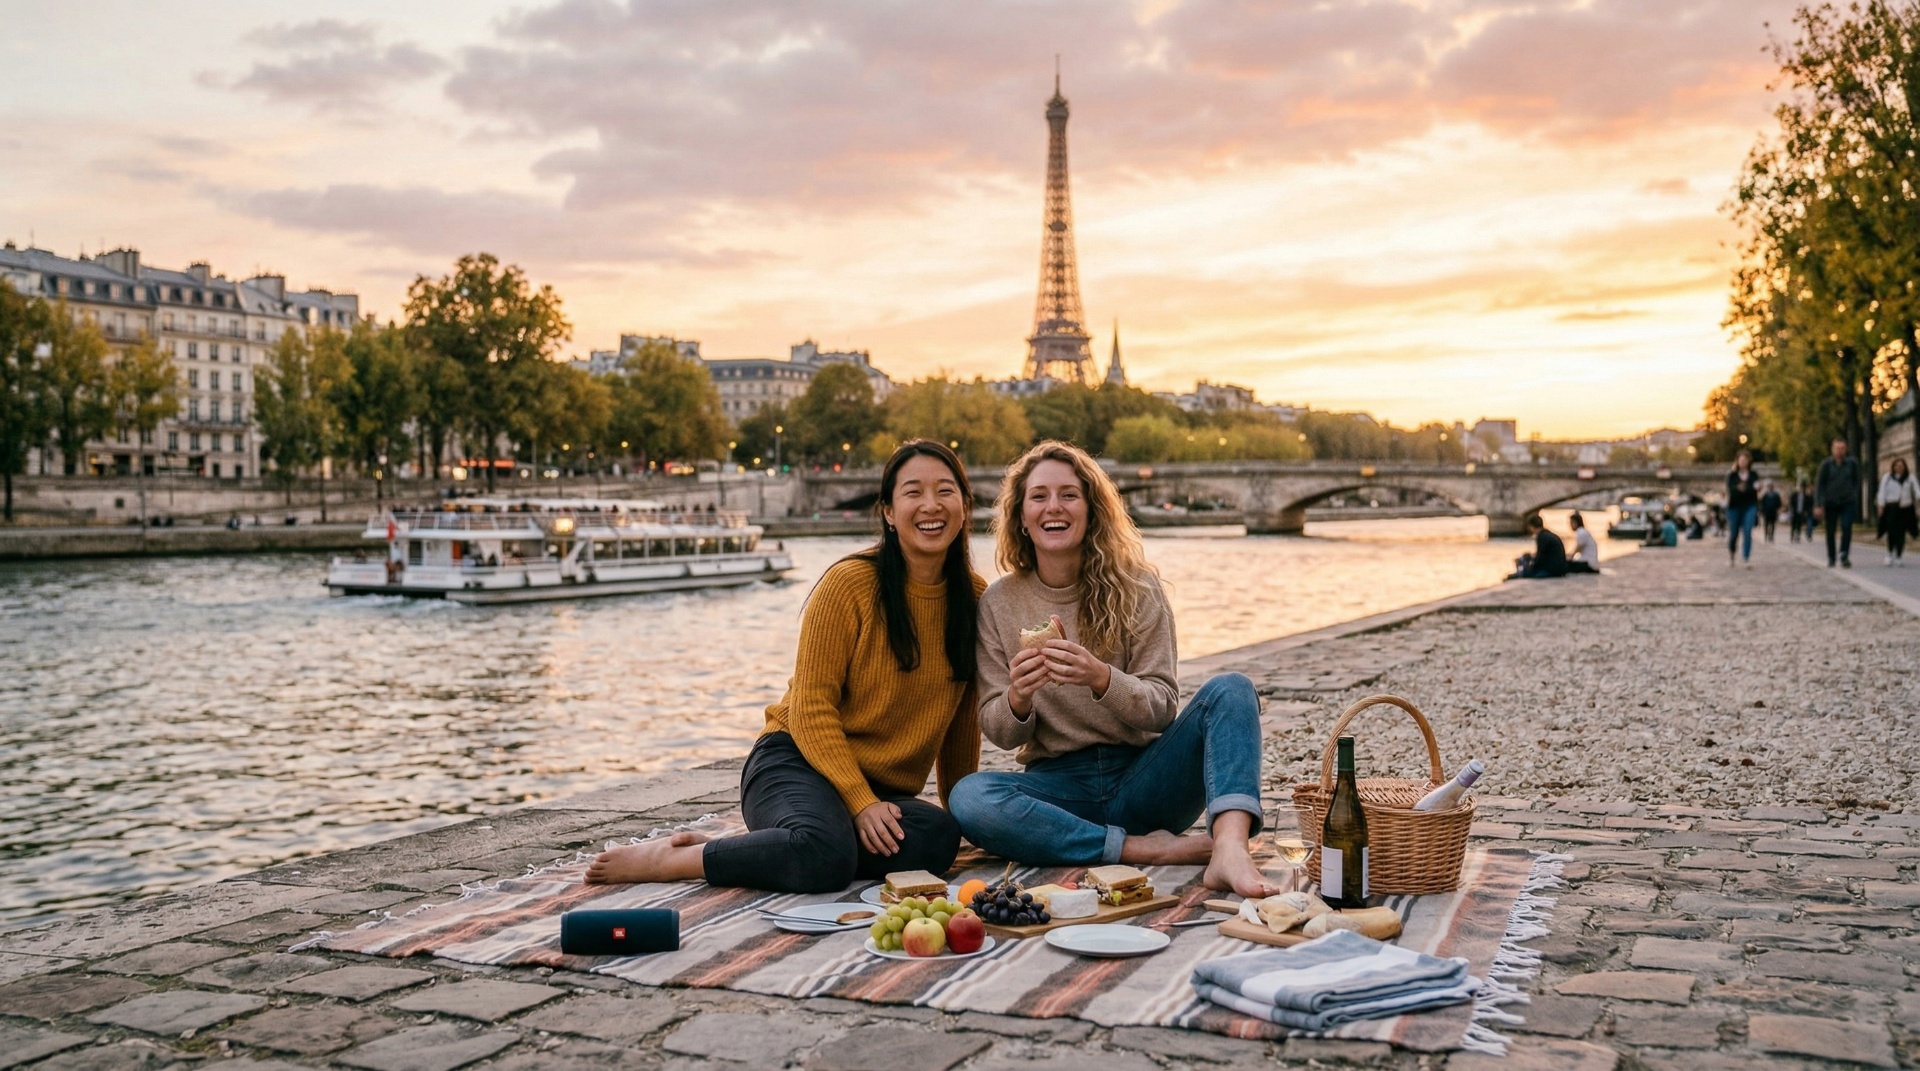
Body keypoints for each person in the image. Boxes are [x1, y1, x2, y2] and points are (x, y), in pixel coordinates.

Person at [585, 440, 984, 892]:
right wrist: (858, 802)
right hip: (794, 760)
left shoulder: (973, 597)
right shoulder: (849, 584)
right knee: (826, 857)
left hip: (877, 787)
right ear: (889, 512)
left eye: (945, 491)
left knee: (939, 840)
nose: (930, 505)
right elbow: (812, 709)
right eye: (913, 492)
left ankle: (778, 846)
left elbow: (961, 724)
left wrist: (958, 811)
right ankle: (672, 860)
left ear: (966, 506)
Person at [947, 441, 1277, 898]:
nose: (1053, 507)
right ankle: (1143, 849)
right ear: (1020, 516)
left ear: (1091, 509)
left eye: (1069, 494)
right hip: (1059, 787)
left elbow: (1162, 708)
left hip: (1145, 777)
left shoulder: (1137, 586)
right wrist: (1019, 696)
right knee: (969, 798)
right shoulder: (998, 603)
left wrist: (1101, 677)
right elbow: (1000, 732)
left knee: (1232, 689)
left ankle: (1230, 848)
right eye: (1039, 496)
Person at [1815, 438, 1863, 568]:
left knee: (1846, 527)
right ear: (1832, 449)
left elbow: (1856, 480)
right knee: (1830, 531)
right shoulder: (1826, 465)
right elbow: (1819, 485)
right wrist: (1818, 504)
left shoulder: (1852, 464)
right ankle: (1831, 557)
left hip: (1847, 501)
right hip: (1830, 502)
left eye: (1842, 448)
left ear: (1846, 449)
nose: (1839, 451)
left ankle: (1844, 554)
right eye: (1837, 448)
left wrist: (1853, 494)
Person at [1878, 458, 1917, 566]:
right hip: (1891, 507)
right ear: (1893, 467)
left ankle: (1899, 555)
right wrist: (1881, 505)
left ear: (1904, 467)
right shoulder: (1887, 478)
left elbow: (1917, 490)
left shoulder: (1910, 478)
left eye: (1901, 466)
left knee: (1902, 532)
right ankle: (1890, 553)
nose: (1899, 468)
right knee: (1891, 531)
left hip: (1905, 508)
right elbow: (1882, 492)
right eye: (1897, 466)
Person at [1507, 513, 1570, 579]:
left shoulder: (1541, 537)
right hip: (1559, 569)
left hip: (1551, 570)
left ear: (1531, 527)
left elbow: (1539, 558)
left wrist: (1530, 567)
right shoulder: (1547, 535)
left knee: (1524, 572)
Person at [1726, 450, 1760, 567]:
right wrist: (1745, 489)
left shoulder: (1754, 475)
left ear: (1749, 461)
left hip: (1749, 506)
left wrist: (1742, 489)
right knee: (1734, 533)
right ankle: (1732, 555)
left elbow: (1754, 491)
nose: (1743, 462)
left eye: (1745, 460)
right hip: (1734, 507)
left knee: (1747, 531)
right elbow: (1732, 491)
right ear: (1737, 461)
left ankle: (1746, 558)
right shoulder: (1732, 476)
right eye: (1741, 460)